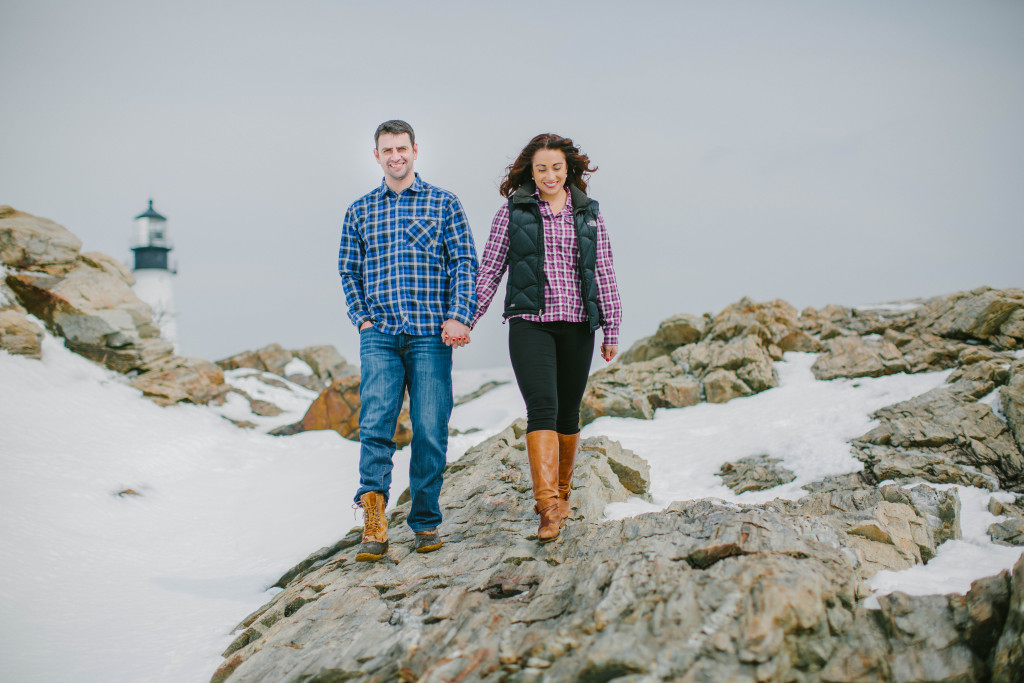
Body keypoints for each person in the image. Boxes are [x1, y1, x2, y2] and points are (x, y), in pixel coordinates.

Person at [338, 120, 477, 561]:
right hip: (379, 335)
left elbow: (464, 263)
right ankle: (374, 522)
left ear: (416, 150)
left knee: (430, 428)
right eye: (387, 150)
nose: (395, 156)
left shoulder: (443, 203)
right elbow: (348, 270)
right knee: (375, 425)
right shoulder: (360, 210)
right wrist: (361, 319)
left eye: (402, 148)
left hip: (430, 336)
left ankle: (425, 520)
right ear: (375, 155)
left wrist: (459, 315)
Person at [472, 133, 622, 543]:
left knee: (568, 415)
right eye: (541, 169)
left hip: (577, 325)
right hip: (530, 322)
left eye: (556, 167)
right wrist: (466, 317)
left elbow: (603, 270)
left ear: (568, 169)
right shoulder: (514, 211)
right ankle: (548, 509)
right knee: (542, 407)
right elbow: (490, 268)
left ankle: (563, 491)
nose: (549, 175)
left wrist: (612, 327)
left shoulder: (589, 213)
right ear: (531, 172)